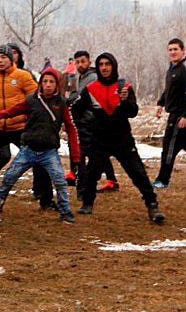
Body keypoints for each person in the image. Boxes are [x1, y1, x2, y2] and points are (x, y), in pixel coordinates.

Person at [70, 53, 165, 223]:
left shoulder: (125, 87)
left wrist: (126, 100)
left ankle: (152, 204)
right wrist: (86, 123)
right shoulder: (91, 89)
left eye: (108, 64)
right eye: (101, 64)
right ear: (97, 67)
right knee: (92, 174)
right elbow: (76, 110)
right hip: (99, 139)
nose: (104, 67)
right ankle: (87, 203)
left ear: (114, 66)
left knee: (138, 173)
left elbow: (133, 112)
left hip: (122, 139)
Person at [0, 67, 80, 224]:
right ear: (40, 83)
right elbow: (15, 110)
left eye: (51, 82)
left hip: (49, 151)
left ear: (57, 84)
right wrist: (1, 115)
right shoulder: (31, 100)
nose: (48, 85)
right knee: (10, 176)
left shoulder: (62, 103)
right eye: (45, 81)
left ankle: (65, 211)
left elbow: (71, 128)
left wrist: (76, 154)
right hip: (28, 149)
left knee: (59, 180)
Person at [0, 46, 37, 188]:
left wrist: (29, 120)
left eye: (3, 57)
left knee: (38, 158)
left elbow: (36, 99)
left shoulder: (23, 76)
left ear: (10, 59)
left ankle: (43, 196)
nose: (0, 61)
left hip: (19, 127)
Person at [68, 49, 119, 194]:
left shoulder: (93, 77)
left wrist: (74, 100)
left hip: (91, 120)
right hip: (80, 120)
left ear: (89, 62)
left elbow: (81, 97)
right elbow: (71, 95)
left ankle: (101, 182)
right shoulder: (77, 78)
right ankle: (107, 179)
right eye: (77, 62)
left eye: (83, 61)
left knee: (92, 152)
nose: (80, 64)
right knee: (90, 152)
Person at [153, 38, 186, 189]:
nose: (172, 52)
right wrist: (161, 103)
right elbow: (169, 90)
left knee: (169, 147)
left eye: (175, 49)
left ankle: (162, 180)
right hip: (173, 113)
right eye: (170, 50)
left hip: (181, 116)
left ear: (183, 51)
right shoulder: (172, 68)